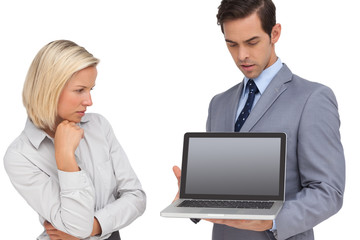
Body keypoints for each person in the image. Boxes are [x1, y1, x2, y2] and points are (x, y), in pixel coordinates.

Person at [172, 0, 345, 239]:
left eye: (252, 42)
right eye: (232, 44)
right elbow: (222, 182)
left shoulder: (312, 99)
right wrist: (193, 195)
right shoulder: (218, 104)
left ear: (275, 33)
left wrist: (271, 221)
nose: (242, 55)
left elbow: (328, 191)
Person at [4, 40, 146, 240]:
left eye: (91, 90)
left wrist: (95, 226)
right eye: (80, 90)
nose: (89, 101)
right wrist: (65, 157)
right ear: (49, 89)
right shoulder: (20, 156)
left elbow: (136, 197)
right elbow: (77, 225)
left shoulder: (99, 126)